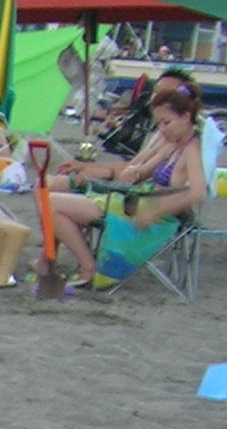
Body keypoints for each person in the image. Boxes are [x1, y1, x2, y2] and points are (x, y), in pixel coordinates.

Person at [44, 79, 205, 288]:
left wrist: (154, 212)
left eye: (166, 123)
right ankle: (81, 265)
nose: (162, 130)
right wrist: (131, 172)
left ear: (186, 117)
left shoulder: (192, 149)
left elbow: (198, 192)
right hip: (137, 203)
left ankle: (87, 268)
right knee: (49, 200)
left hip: (154, 216)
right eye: (158, 124)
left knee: (50, 203)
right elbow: (140, 171)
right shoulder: (173, 144)